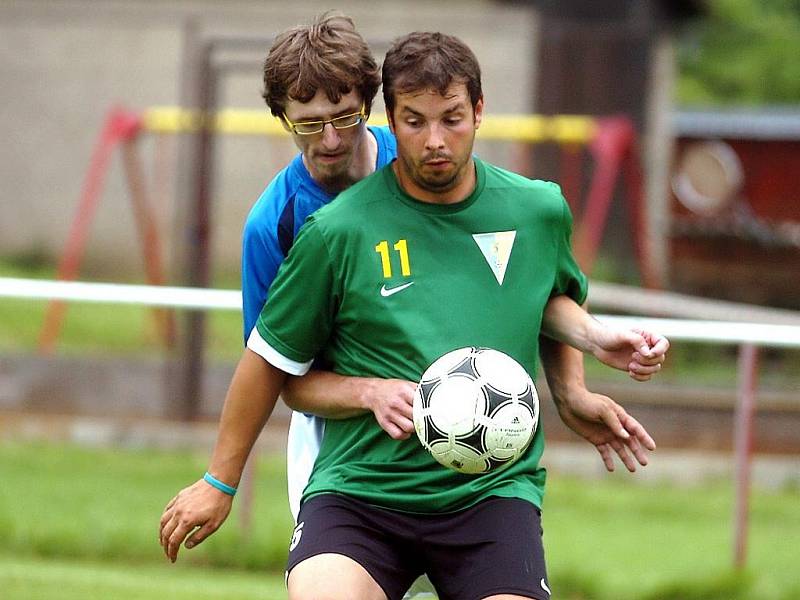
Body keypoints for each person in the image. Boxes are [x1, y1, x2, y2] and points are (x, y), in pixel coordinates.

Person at [160, 28, 669, 600]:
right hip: (354, 463)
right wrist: (220, 479)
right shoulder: (296, 227)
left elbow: (529, 286)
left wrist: (587, 358)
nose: (329, 139)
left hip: (487, 487)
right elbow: (275, 369)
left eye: (345, 118)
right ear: (281, 119)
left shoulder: (521, 204)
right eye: (308, 124)